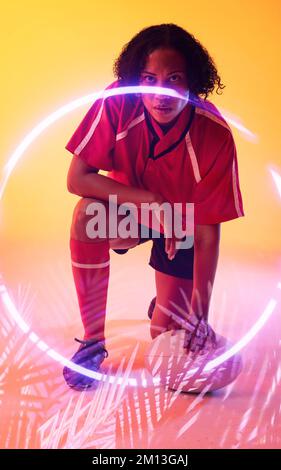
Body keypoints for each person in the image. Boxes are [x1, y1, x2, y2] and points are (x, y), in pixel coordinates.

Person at [63, 23, 245, 390]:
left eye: (174, 78)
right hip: (131, 213)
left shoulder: (214, 134)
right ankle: (92, 342)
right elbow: (78, 178)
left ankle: (164, 308)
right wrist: (151, 200)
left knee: (168, 335)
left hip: (183, 227)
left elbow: (208, 232)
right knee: (86, 216)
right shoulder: (117, 100)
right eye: (148, 78)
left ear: (193, 82)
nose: (160, 93)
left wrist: (200, 314)